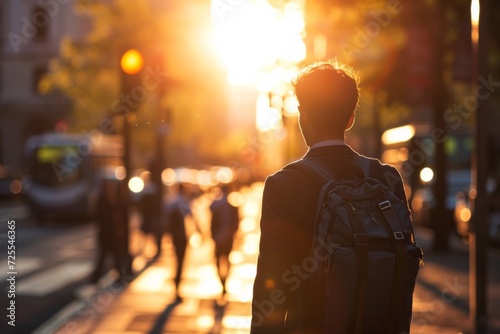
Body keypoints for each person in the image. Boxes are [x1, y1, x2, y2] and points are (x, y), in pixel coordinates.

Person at [251, 60, 409, 333]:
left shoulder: (283, 185)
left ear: (303, 115)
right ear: (351, 118)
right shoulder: (386, 179)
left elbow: (272, 282)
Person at [91, 179, 131, 284]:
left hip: (112, 235)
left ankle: (119, 277)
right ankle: (96, 279)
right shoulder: (103, 200)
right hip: (106, 235)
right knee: (106, 257)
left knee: (115, 257)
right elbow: (101, 218)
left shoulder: (113, 199)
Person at [162, 182, 198, 301]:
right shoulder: (182, 202)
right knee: (180, 262)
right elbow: (191, 216)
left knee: (177, 261)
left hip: (175, 236)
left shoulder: (171, 202)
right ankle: (177, 287)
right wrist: (200, 231)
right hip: (181, 236)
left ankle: (176, 287)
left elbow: (166, 220)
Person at [209, 184, 239, 296]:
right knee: (220, 260)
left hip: (226, 238)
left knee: (225, 259)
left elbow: (236, 224)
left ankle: (224, 282)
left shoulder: (232, 207)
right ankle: (222, 282)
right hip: (220, 238)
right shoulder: (218, 206)